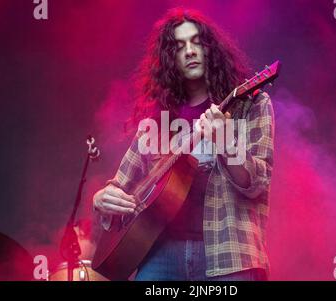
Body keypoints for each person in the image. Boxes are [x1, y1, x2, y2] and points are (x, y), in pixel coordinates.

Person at [92, 8, 274, 281]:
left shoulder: (252, 105)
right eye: (179, 47)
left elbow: (257, 182)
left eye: (196, 42)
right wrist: (101, 199)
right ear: (169, 60)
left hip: (229, 255)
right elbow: (120, 185)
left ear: (210, 49)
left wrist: (226, 141)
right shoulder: (155, 121)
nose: (189, 51)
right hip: (160, 255)